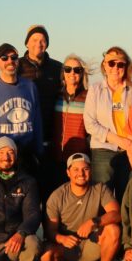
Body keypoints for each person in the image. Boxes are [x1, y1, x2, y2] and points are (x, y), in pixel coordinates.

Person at [41, 153, 122, 261]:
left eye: (85, 169)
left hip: (92, 241)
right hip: (69, 245)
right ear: (68, 172)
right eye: (76, 170)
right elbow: (50, 231)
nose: (81, 173)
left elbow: (117, 214)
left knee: (114, 230)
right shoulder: (57, 195)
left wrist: (94, 222)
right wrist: (62, 239)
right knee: (46, 257)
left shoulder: (100, 188)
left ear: (91, 170)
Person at [0, 42, 43, 169]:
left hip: (26, 155)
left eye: (14, 57)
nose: (10, 61)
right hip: (2, 156)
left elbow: (37, 122)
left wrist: (39, 152)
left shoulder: (30, 86)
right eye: (4, 58)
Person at [84, 46, 132, 200]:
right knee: (103, 198)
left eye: (120, 64)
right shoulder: (95, 90)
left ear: (126, 66)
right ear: (104, 65)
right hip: (103, 150)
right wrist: (118, 140)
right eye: (111, 63)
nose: (115, 68)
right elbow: (90, 123)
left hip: (129, 153)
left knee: (127, 198)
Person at [18, 24, 64, 197]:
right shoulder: (17, 67)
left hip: (50, 141)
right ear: (27, 43)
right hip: (24, 142)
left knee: (49, 195)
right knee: (24, 195)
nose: (39, 43)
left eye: (43, 40)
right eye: (35, 40)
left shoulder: (57, 68)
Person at [50, 54, 90, 186]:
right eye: (68, 69)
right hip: (55, 157)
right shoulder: (55, 95)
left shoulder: (89, 97)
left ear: (82, 73)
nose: (72, 73)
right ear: (63, 73)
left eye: (77, 70)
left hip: (78, 160)